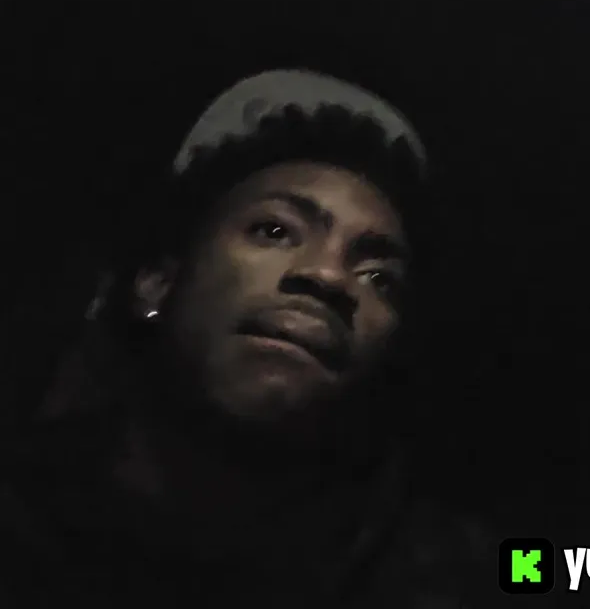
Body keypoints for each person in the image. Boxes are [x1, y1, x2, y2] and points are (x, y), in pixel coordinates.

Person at [0, 70, 494, 608]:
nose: (328, 277)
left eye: (379, 277)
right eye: (274, 230)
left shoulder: (467, 576)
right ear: (157, 285)